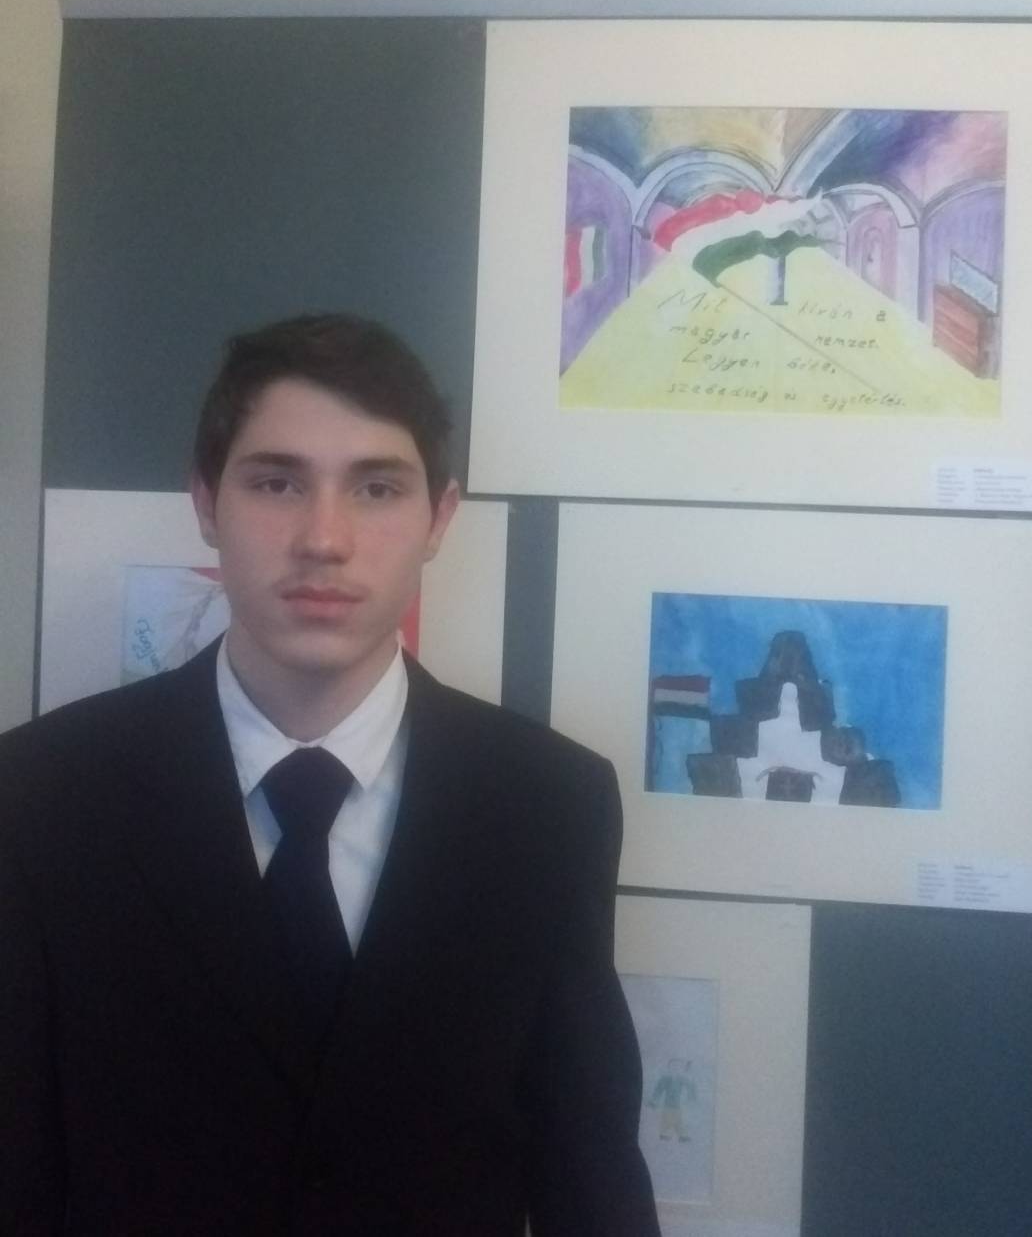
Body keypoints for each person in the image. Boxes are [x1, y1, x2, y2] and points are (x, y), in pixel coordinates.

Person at [0, 313, 659, 1236]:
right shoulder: (43, 793)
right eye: (276, 482)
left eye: (377, 488)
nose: (324, 538)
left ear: (439, 520)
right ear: (205, 502)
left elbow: (588, 1171)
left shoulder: (548, 804)